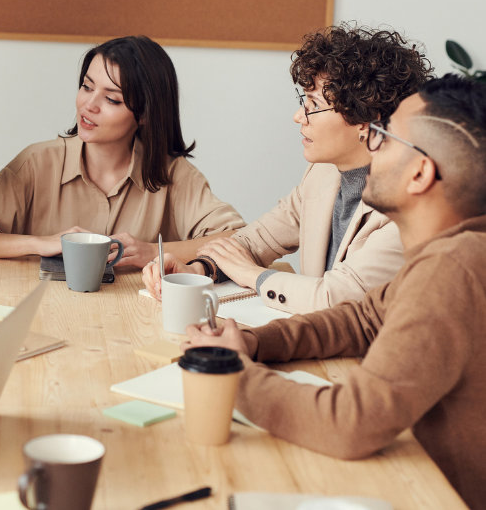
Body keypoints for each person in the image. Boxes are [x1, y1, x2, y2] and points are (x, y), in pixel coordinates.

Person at [186, 74, 486, 509]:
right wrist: (255, 341)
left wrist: (232, 374)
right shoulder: (455, 252)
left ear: (421, 173)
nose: (371, 143)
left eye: (384, 136)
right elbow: (362, 318)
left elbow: (351, 423)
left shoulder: (453, 268)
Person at [143, 25, 431, 313]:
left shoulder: (408, 206)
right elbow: (257, 240)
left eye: (313, 105)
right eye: (302, 102)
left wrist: (251, 275)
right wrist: (199, 270)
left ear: (366, 121)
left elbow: (336, 296)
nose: (298, 117)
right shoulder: (322, 174)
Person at [0, 36, 244, 264]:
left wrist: (156, 252)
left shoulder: (173, 175)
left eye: (112, 99)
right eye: (86, 86)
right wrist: (43, 244)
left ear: (145, 114)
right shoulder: (38, 163)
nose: (88, 105)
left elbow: (240, 239)